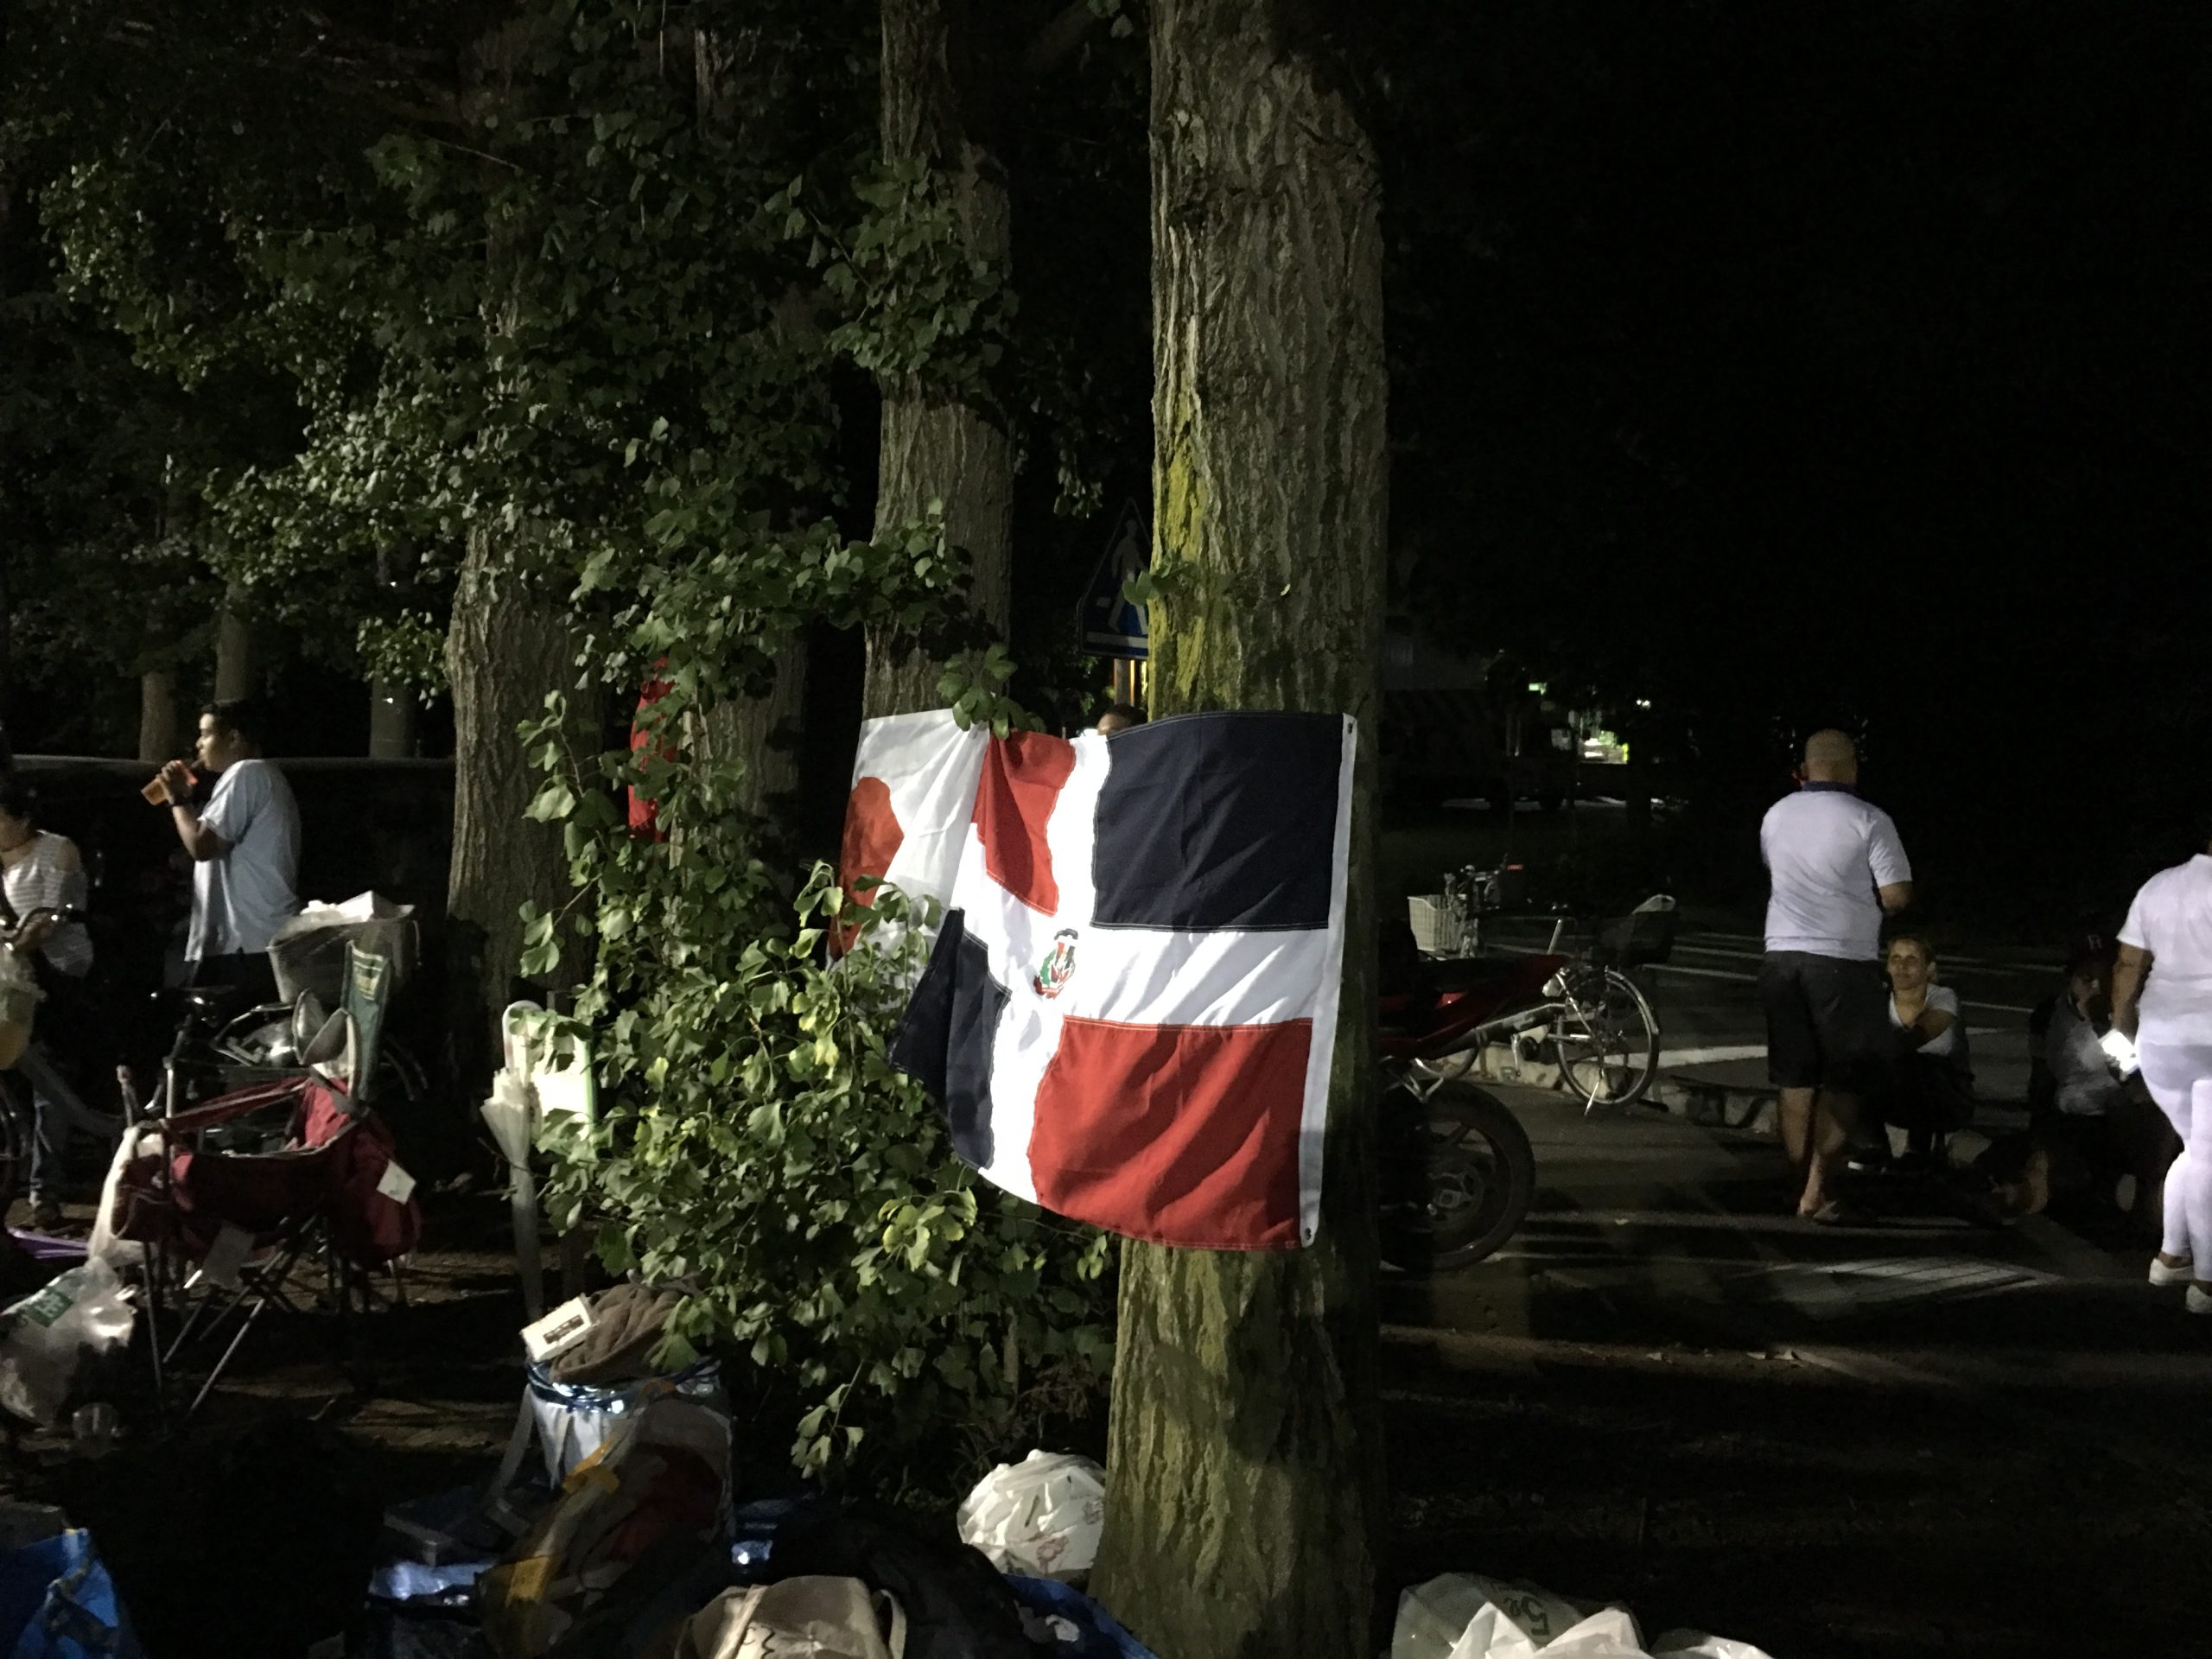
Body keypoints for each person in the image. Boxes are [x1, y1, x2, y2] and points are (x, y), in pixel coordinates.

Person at [1758, 728, 1913, 1222]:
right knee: (1846, 1079)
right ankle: (1818, 1187)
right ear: (1852, 768)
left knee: (1794, 1079)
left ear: (1806, 769)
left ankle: (1795, 1182)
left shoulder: (1776, 815)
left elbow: (1776, 870)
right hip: (1843, 960)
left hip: (1781, 956)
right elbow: (1896, 895)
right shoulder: (1869, 819)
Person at [2111, 828, 2212, 1313]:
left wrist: (2122, 1027)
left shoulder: (2160, 885)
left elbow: (2127, 964)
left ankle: (2172, 1257)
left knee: (2197, 1148)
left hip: (2161, 1036)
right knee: (2208, 1156)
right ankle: (2207, 1281)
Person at [158, 699, 300, 1007]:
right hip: (256, 943)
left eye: (205, 734)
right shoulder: (266, 777)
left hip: (246, 945)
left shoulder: (247, 773)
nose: (198, 745)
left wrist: (178, 801)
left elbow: (202, 846)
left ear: (234, 738)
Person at [0, 784, 93, 1230]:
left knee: (50, 1087)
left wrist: (17, 945)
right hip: (9, 985)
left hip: (57, 979)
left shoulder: (57, 851)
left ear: (22, 819)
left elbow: (53, 917)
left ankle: (45, 1190)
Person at [1866, 933, 1973, 1166]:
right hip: (1898, 1094)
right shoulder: (1879, 1001)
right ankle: (1874, 1145)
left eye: (1912, 960)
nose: (1901, 966)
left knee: (1918, 1064)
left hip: (1947, 1099)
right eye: (1895, 959)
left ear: (1929, 968)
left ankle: (1917, 1149)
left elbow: (1918, 1036)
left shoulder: (1944, 997)